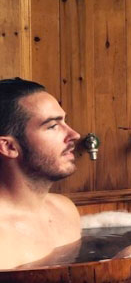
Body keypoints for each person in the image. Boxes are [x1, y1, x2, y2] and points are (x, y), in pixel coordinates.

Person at [0, 78, 81, 269]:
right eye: (53, 126)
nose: (74, 134)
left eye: (64, 121)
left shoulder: (65, 210)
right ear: (9, 147)